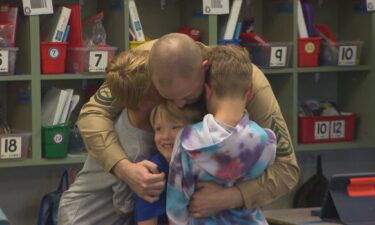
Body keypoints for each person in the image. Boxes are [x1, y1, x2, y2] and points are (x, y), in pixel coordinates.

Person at [77, 33, 299, 217]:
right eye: (166, 97)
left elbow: (286, 169)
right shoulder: (143, 62)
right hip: (127, 194)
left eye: (187, 96)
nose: (178, 105)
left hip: (219, 210)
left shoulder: (242, 81)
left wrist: (231, 197)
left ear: (204, 69)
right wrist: (125, 169)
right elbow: (93, 113)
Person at [167, 45, 276, 224]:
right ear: (249, 92)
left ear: (207, 91)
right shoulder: (267, 142)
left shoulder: (187, 139)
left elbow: (176, 206)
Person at [58, 49, 163, 225]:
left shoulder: (125, 115)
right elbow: (123, 206)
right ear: (144, 102)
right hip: (84, 217)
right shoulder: (136, 150)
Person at [134, 101, 203, 225]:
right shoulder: (152, 174)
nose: (165, 136)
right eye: (158, 129)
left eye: (175, 127)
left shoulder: (205, 164)